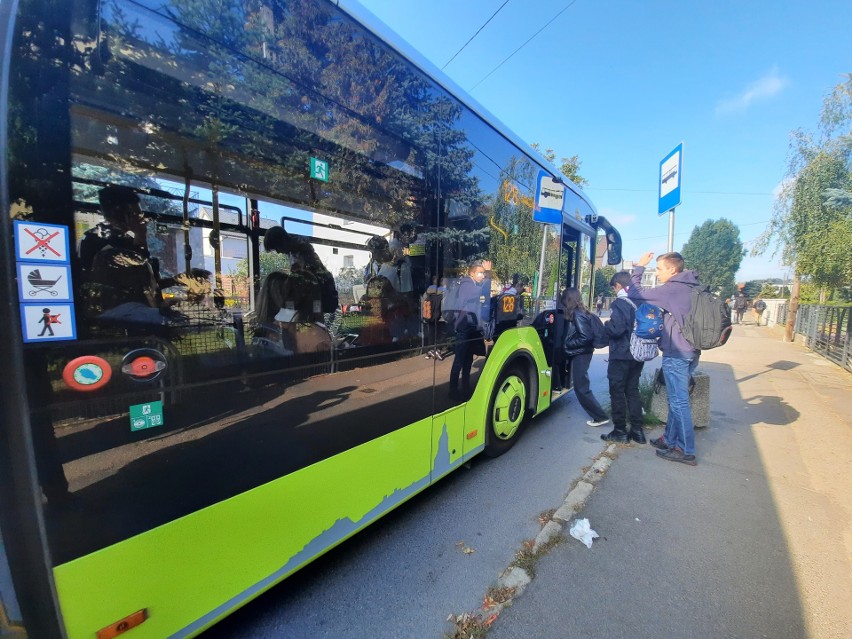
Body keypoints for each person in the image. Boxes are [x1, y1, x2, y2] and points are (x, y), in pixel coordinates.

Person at [628, 251, 700, 466]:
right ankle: (669, 440)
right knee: (676, 401)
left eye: (659, 269)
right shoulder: (691, 286)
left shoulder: (673, 289)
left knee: (679, 403)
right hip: (690, 351)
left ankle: (685, 450)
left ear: (672, 269)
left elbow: (635, 293)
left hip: (677, 352)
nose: (657, 273)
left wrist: (639, 267)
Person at [601, 271, 646, 443]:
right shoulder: (641, 301)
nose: (614, 291)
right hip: (638, 354)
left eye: (614, 287)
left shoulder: (620, 303)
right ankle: (637, 431)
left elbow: (616, 329)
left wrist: (607, 324)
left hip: (621, 355)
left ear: (618, 285)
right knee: (633, 391)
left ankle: (620, 431)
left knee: (617, 392)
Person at [559, 287, 609, 427]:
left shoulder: (577, 314)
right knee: (582, 385)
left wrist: (568, 343)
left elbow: (585, 337)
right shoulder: (581, 312)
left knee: (581, 387)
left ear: (568, 299)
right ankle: (600, 416)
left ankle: (600, 416)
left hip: (581, 353)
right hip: (584, 352)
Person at [449, 260, 492, 400]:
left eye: (483, 273)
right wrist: (489, 273)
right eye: (480, 273)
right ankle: (453, 390)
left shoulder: (473, 284)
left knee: (467, 360)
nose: (482, 275)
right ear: (471, 273)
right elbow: (482, 291)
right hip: (464, 328)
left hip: (471, 328)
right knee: (459, 360)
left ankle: (466, 387)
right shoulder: (467, 285)